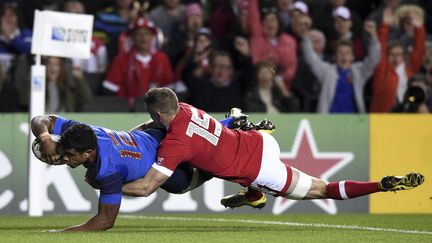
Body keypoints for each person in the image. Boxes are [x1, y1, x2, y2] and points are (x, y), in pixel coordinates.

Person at [122, 87, 424, 211]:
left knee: (323, 189)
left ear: (159, 115)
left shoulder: (176, 142)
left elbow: (148, 186)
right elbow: (211, 127)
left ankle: (383, 186)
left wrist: (107, 184)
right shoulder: (187, 109)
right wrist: (233, 120)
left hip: (262, 169)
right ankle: (252, 193)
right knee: (219, 164)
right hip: (259, 141)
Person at [31, 108, 274, 232]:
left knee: (211, 168)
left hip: (174, 168)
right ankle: (229, 124)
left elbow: (104, 222)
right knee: (158, 127)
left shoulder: (106, 170)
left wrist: (61, 232)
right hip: (153, 136)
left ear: (87, 154)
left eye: (70, 155)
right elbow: (41, 119)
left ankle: (237, 130)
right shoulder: (85, 131)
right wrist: (44, 135)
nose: (65, 158)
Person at [301, 19, 380, 113]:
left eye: (347, 53)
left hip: (354, 122)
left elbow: (374, 59)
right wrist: (305, 35)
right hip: (329, 122)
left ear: (352, 57)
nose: (344, 56)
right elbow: (310, 58)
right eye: (340, 53)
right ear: (334, 57)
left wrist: (374, 36)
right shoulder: (326, 71)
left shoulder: (359, 72)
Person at [370, 7, 425, 112]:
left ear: (403, 56)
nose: (396, 57)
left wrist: (419, 29)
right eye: (392, 54)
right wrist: (384, 26)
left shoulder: (409, 70)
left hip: (406, 116)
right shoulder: (381, 70)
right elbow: (380, 49)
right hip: (383, 118)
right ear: (387, 55)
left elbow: (418, 50)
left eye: (399, 54)